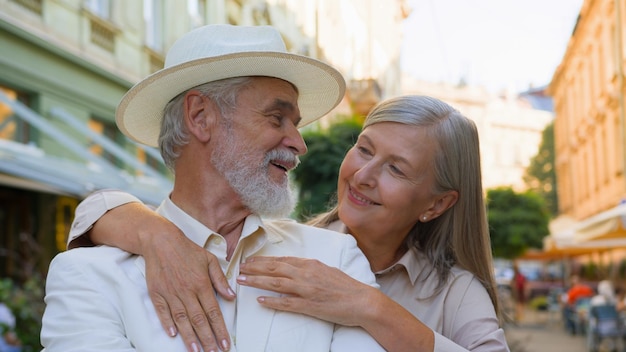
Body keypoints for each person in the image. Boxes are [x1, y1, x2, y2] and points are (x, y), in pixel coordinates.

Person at [40, 24, 387, 352]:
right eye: (276, 118)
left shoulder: (337, 259)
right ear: (200, 116)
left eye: (294, 124)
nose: (299, 143)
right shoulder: (89, 276)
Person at [68, 95, 510, 351]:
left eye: (396, 169)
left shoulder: (454, 292)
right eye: (364, 148)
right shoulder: (299, 245)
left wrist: (369, 307)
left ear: (435, 205)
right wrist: (153, 232)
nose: (363, 175)